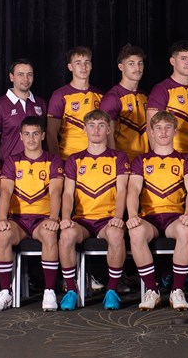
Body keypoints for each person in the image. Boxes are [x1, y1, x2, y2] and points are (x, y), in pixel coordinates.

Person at [57, 110, 130, 311]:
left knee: (116, 234)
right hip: (82, 219)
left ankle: (112, 290)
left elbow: (123, 189)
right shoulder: (74, 159)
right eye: (91, 125)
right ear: (84, 129)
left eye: (100, 125)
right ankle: (71, 290)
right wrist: (65, 217)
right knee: (66, 235)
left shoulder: (119, 157)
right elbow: (68, 194)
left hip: (107, 219)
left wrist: (117, 216)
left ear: (108, 129)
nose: (96, 129)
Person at [126, 112, 188, 311]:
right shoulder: (141, 160)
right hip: (149, 218)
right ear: (151, 132)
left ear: (175, 131)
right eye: (158, 128)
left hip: (175, 216)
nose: (163, 132)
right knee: (136, 231)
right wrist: (132, 215)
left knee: (185, 230)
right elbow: (133, 189)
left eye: (168, 127)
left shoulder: (186, 159)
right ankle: (152, 290)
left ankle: (177, 290)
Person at [0, 116, 63, 311]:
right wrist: (3, 218)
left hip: (42, 219)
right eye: (27, 134)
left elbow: (56, 192)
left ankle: (49, 291)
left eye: (36, 134)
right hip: (18, 220)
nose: (31, 139)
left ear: (43, 136)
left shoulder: (53, 160)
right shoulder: (12, 161)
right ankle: (5, 292)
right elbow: (5, 192)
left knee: (49, 233)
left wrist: (54, 218)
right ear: (21, 137)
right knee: (3, 234)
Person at [147, 41, 188, 161]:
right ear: (172, 61)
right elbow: (151, 126)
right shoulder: (162, 89)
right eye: (183, 58)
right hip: (173, 156)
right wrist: (158, 157)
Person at [47, 46, 104, 160]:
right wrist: (57, 163)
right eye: (78, 63)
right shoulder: (60, 95)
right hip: (69, 159)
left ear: (91, 66)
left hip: (96, 159)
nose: (83, 67)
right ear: (70, 67)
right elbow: (51, 133)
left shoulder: (100, 95)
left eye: (87, 62)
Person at [0, 58, 47, 162]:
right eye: (20, 74)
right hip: (10, 169)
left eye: (29, 74)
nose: (26, 79)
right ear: (11, 77)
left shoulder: (41, 103)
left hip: (38, 168)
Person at [101, 44, 149, 161]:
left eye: (140, 63)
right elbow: (107, 135)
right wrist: (117, 162)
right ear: (121, 67)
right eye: (131, 63)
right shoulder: (113, 97)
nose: (137, 68)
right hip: (124, 162)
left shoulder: (145, 96)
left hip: (146, 161)